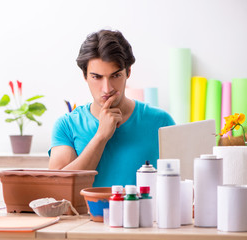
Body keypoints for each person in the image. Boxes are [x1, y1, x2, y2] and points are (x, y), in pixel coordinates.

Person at [48, 29, 175, 187]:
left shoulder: (161, 121)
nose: (107, 89)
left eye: (115, 76)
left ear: (128, 72)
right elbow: (57, 188)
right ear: (85, 76)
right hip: (87, 213)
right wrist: (101, 137)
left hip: (142, 212)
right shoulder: (67, 125)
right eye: (97, 77)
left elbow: (179, 184)